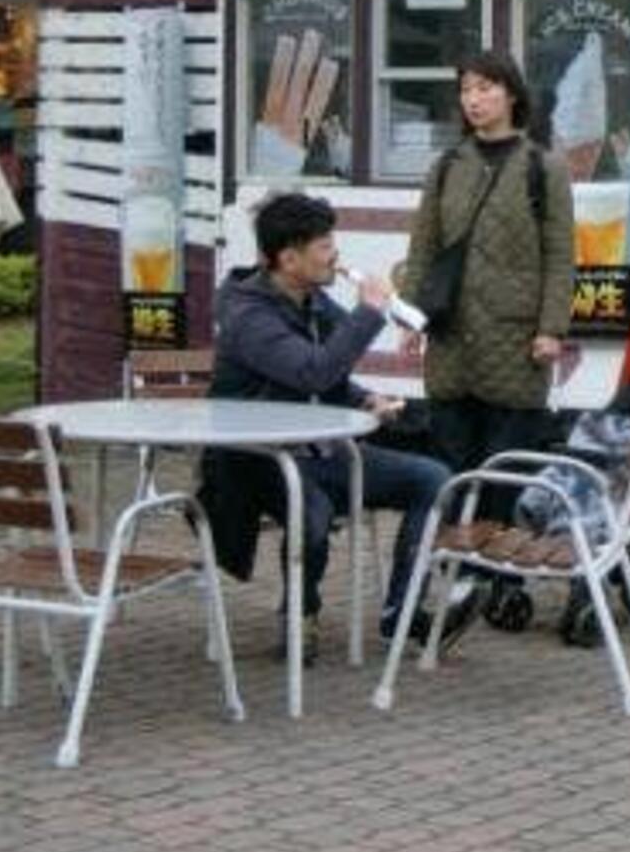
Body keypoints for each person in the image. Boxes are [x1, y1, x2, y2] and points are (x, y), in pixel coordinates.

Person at [198, 191, 466, 661]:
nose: (335, 254)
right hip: (253, 462)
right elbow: (311, 371)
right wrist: (370, 311)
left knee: (432, 479)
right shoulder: (248, 315)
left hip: (320, 452)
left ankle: (401, 615)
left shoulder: (313, 301)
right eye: (323, 246)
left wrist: (366, 397)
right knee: (313, 510)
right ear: (288, 258)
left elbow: (334, 371)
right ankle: (300, 613)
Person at [397, 48, 576, 518]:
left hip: (516, 341)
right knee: (453, 467)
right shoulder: (447, 165)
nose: (473, 100)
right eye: (465, 89)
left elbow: (561, 255)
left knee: (506, 470)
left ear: (512, 94)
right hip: (451, 338)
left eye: (484, 88)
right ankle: (462, 573)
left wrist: (551, 328)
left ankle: (501, 578)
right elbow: (424, 248)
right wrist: (410, 316)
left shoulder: (544, 166)